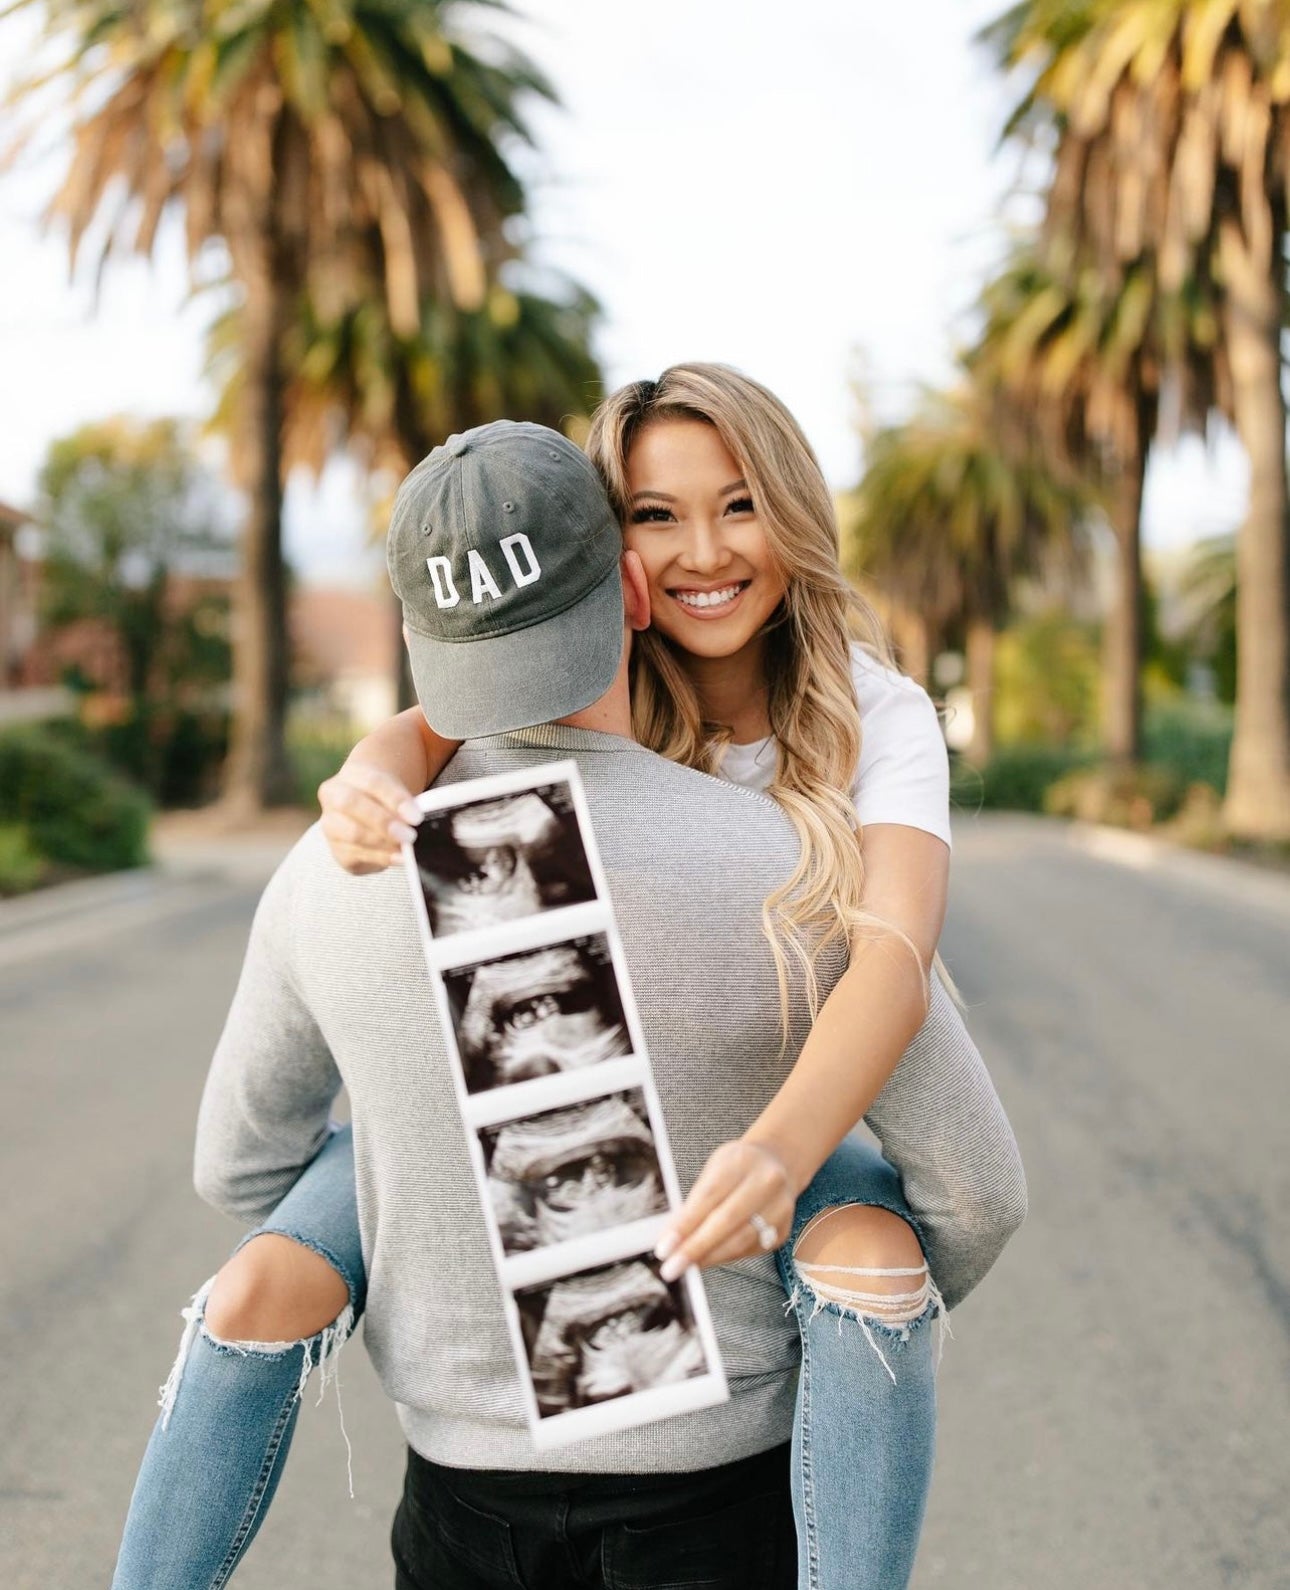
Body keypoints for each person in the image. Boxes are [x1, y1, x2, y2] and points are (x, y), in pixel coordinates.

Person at [112, 401, 1025, 1590]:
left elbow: (894, 956)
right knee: (868, 1240)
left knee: (829, 1223)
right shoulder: (762, 845)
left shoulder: (870, 712)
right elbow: (979, 1191)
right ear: (626, 582)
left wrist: (779, 1160)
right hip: (710, 1470)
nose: (704, 551)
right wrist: (374, 768)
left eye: (739, 505)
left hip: (488, 1459)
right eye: (657, 517)